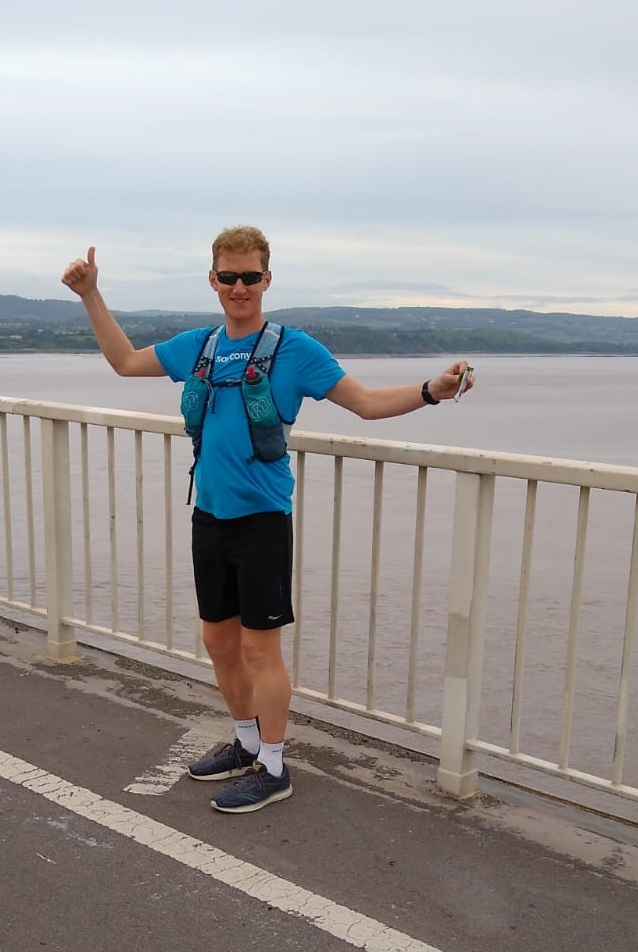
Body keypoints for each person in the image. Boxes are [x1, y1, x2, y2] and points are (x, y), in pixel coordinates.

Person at [60, 226, 474, 814]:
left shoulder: (294, 350)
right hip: (209, 516)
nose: (239, 287)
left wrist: (433, 389)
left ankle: (274, 767)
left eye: (250, 277)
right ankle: (246, 743)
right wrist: (91, 296)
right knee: (218, 642)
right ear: (213, 280)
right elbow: (126, 361)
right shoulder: (199, 346)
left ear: (267, 279)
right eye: (228, 277)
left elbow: (369, 404)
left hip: (261, 521)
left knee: (260, 651)